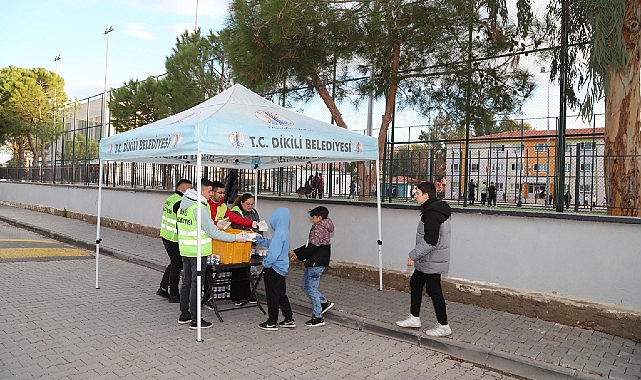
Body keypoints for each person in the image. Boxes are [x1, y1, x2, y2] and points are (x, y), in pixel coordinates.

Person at [177, 179, 249, 330]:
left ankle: (184, 315)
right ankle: (196, 320)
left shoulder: (185, 202)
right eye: (210, 191)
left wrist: (216, 224)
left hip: (185, 249)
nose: (211, 194)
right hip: (198, 251)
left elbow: (198, 225)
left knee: (186, 282)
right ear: (202, 190)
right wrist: (235, 237)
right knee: (196, 285)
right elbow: (211, 232)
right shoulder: (200, 206)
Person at [396, 181, 452, 337]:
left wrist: (413, 255)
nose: (415, 196)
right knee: (415, 283)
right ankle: (414, 318)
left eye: (418, 193)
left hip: (431, 261)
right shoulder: (433, 209)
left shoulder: (432, 214)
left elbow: (430, 241)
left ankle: (444, 325)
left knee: (434, 291)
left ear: (426, 195)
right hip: (427, 260)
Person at [205, 181, 259, 309]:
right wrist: (216, 223)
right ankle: (205, 298)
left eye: (223, 193)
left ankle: (208, 297)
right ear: (212, 192)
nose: (222, 195)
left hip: (218, 242)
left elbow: (232, 217)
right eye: (220, 193)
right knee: (204, 272)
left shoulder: (222, 205)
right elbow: (205, 222)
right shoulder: (205, 205)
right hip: (205, 241)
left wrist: (251, 223)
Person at [290, 206, 335, 327]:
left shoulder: (319, 228)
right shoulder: (322, 226)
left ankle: (318, 316)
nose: (312, 220)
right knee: (305, 285)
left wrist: (298, 253)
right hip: (314, 261)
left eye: (314, 218)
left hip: (317, 262)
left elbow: (313, 247)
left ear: (319, 217)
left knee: (312, 288)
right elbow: (311, 246)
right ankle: (324, 302)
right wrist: (303, 257)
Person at [255, 208, 295, 331]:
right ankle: (289, 318)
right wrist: (260, 239)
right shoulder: (284, 231)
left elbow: (274, 252)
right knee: (281, 294)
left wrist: (266, 263)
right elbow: (273, 243)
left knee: (272, 296)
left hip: (274, 268)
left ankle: (272, 321)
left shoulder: (279, 233)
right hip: (282, 268)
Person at [157, 178, 193, 303]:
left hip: (167, 235)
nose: (193, 191)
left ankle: (162, 287)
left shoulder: (171, 198)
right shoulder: (179, 202)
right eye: (191, 189)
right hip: (173, 238)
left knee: (174, 263)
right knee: (177, 265)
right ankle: (173, 294)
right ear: (184, 190)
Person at [229, 193, 262, 305]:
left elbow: (258, 225)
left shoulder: (254, 212)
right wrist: (249, 231)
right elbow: (235, 227)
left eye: (252, 204)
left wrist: (258, 233)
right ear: (242, 202)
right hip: (237, 244)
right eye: (248, 204)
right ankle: (237, 297)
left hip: (250, 244)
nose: (250, 206)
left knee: (247, 269)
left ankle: (247, 294)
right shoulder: (235, 211)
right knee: (238, 270)